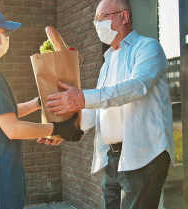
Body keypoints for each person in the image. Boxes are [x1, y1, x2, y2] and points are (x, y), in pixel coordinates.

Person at [41, 0, 175, 208]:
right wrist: (61, 129)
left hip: (144, 155)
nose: (97, 23)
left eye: (103, 17)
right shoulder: (108, 62)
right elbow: (97, 111)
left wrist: (83, 98)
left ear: (124, 17)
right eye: (95, 19)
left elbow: (136, 87)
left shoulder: (148, 48)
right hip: (113, 158)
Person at [0, 7, 84, 209]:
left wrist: (39, 102)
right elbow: (12, 129)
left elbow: (2, 115)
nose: (6, 38)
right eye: (2, 33)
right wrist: (58, 129)